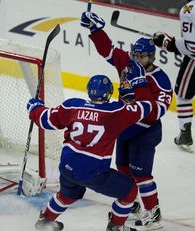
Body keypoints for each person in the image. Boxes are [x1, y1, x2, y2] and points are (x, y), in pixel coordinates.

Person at [30, 60, 157, 231]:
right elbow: (147, 106)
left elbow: (45, 120)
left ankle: (45, 221)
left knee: (68, 194)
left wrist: (35, 108)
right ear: (109, 94)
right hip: (93, 172)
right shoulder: (115, 112)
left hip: (67, 166)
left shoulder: (72, 105)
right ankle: (116, 227)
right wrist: (140, 81)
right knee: (130, 191)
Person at [80, 10, 173, 230]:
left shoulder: (161, 80)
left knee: (141, 174)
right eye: (135, 55)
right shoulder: (128, 64)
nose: (137, 60)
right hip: (125, 126)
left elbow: (154, 113)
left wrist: (140, 84)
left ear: (152, 57)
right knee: (122, 167)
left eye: (142, 57)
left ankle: (153, 213)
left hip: (145, 131)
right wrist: (95, 30)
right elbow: (108, 50)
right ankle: (130, 204)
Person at [152, 0, 195, 151]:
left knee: (183, 96)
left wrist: (168, 43)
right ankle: (184, 132)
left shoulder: (189, 9)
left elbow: (192, 47)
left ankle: (185, 131)